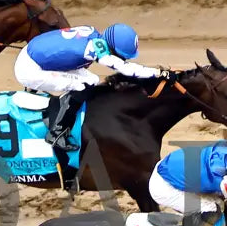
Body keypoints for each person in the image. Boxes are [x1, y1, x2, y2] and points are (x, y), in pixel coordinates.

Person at [13, 23, 165, 152]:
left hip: (33, 53)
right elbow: (125, 69)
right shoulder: (94, 51)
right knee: (81, 86)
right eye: (121, 55)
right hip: (30, 70)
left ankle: (63, 109)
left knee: (92, 80)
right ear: (112, 49)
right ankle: (56, 133)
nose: (123, 59)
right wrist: (159, 73)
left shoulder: (93, 32)